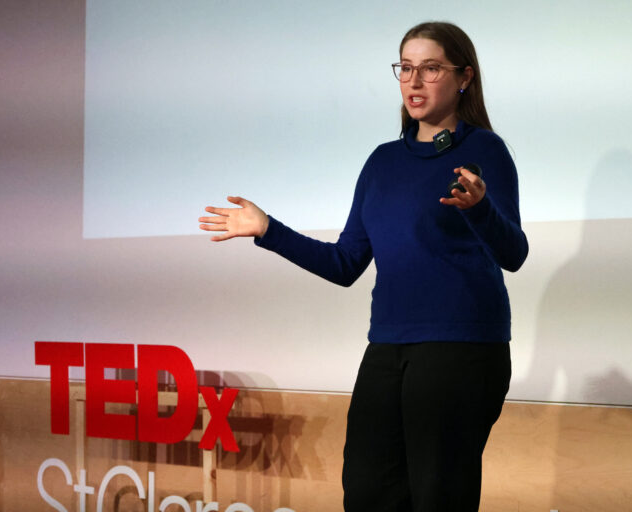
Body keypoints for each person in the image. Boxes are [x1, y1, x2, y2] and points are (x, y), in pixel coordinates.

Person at [199, 21, 528, 512]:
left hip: (461, 346)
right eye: (406, 68)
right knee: (367, 491)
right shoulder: (382, 162)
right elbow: (345, 262)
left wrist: (480, 208)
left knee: (438, 496)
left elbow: (514, 254)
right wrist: (268, 229)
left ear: (464, 77)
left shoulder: (484, 150)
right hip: (388, 346)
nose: (414, 81)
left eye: (431, 68)